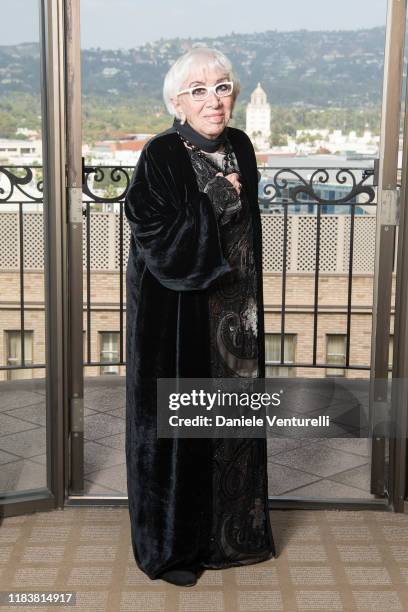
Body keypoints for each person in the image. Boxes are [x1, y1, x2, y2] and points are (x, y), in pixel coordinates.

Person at [125, 46, 275, 587]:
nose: (213, 100)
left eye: (222, 87)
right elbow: (153, 234)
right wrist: (215, 199)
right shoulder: (162, 154)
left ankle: (231, 535)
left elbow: (247, 230)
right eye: (198, 90)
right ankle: (174, 546)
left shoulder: (240, 144)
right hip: (178, 318)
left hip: (235, 313)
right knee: (179, 432)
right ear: (177, 101)